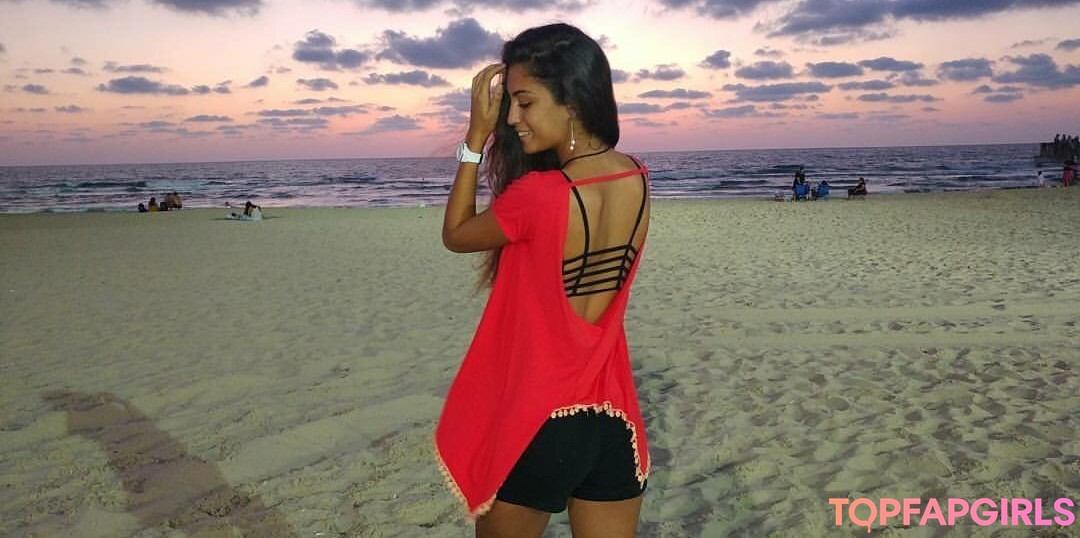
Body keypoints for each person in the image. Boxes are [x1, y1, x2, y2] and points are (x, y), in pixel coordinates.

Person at [436, 23, 650, 537]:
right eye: (509, 104)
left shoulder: (539, 195)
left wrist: (474, 140)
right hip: (613, 421)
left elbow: (457, 234)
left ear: (571, 101)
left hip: (538, 420)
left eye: (525, 102)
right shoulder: (636, 176)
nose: (512, 119)